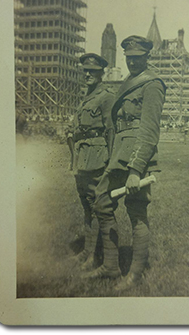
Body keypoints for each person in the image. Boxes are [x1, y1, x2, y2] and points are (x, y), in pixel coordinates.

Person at [83, 36, 166, 292]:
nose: (132, 61)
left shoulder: (152, 85)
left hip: (135, 160)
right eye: (128, 57)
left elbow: (150, 130)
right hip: (119, 155)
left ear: (146, 57)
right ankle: (110, 265)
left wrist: (135, 170)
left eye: (137, 57)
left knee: (137, 211)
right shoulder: (129, 82)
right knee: (101, 200)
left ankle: (135, 275)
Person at [70, 53, 115, 271]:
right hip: (82, 159)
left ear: (101, 73)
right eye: (85, 71)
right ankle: (88, 252)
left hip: (97, 161)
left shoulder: (106, 96)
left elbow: (111, 131)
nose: (88, 74)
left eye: (93, 71)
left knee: (98, 209)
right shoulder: (87, 96)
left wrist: (111, 165)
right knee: (87, 208)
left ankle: (98, 258)